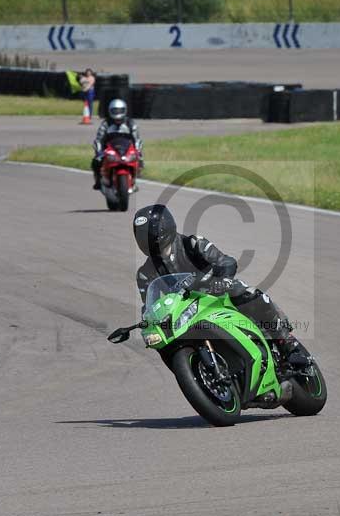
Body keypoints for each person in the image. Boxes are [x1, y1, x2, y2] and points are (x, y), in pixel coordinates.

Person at [132, 204, 308, 367]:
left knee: (248, 293)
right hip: (184, 311)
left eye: (148, 235)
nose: (146, 241)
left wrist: (222, 279)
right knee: (161, 341)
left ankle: (287, 343)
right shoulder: (145, 273)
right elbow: (150, 305)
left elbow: (225, 261)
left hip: (214, 291)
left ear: (165, 229)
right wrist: (149, 321)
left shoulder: (192, 244)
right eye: (141, 237)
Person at [91, 99, 143, 190]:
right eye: (115, 110)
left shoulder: (130, 123)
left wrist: (138, 151)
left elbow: (137, 139)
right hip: (110, 149)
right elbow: (98, 140)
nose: (117, 113)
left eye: (120, 110)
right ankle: (98, 181)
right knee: (96, 162)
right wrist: (99, 153)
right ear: (110, 111)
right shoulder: (106, 124)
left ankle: (135, 178)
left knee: (140, 161)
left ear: (125, 110)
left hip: (126, 149)